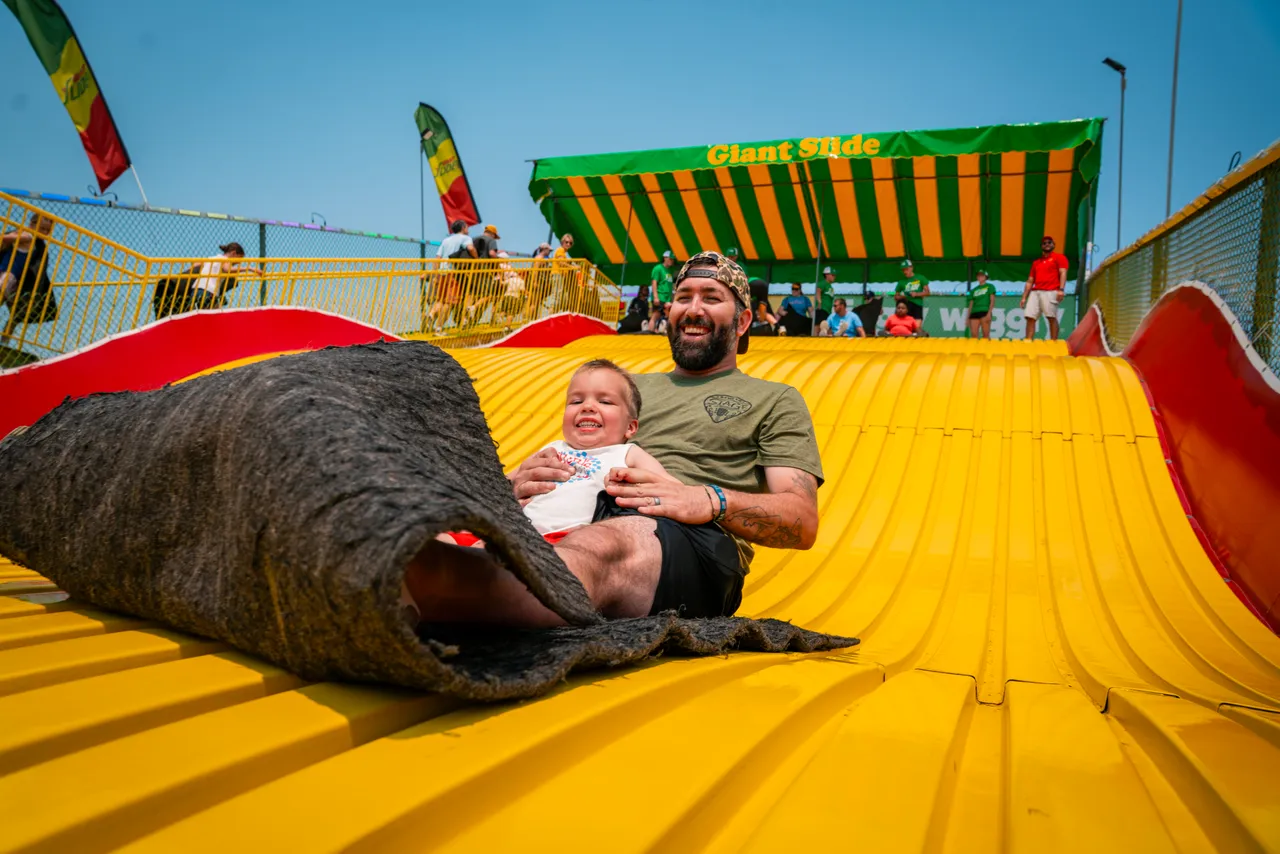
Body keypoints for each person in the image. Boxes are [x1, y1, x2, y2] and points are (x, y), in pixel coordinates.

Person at [403, 251, 823, 626]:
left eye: (712, 298)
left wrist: (708, 500)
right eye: (683, 297)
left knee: (600, 544)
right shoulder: (620, 388)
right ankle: (420, 570)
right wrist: (510, 488)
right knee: (444, 519)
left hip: (695, 545)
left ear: (744, 320)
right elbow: (568, 452)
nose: (693, 309)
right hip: (582, 510)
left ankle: (441, 592)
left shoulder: (774, 399)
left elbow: (800, 521)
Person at [0, 213, 58, 340]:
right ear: (32, 224)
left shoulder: (39, 245)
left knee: (10, 295)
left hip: (16, 276)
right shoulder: (28, 236)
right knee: (7, 291)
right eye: (42, 228)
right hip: (8, 272)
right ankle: (7, 334)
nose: (45, 233)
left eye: (47, 230)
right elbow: (6, 239)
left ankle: (7, 334)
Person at [425, 220, 476, 332]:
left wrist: (435, 274)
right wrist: (477, 260)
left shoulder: (446, 240)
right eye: (467, 227)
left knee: (441, 300)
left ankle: (431, 314)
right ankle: (439, 328)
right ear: (463, 228)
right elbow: (471, 248)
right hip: (454, 273)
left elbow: (437, 258)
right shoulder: (465, 238)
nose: (468, 229)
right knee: (449, 302)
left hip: (442, 272)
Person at [187, 242, 265, 311]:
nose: (239, 262)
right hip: (208, 292)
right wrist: (249, 268)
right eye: (239, 259)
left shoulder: (211, 258)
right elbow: (227, 269)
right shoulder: (225, 259)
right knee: (215, 318)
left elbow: (194, 265)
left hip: (196, 290)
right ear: (234, 253)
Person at [1021, 235, 1068, 340]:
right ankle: (1028, 342)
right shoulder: (1036, 262)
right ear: (1041, 246)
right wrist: (1024, 297)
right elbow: (1030, 281)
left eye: (1049, 242)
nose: (1047, 244)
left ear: (1053, 244)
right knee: (1030, 317)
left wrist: (1061, 290)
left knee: (1051, 317)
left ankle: (1053, 342)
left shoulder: (1059, 257)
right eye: (1044, 243)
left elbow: (1063, 273)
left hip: (1051, 291)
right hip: (1035, 292)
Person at [966, 269, 996, 340]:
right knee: (974, 335)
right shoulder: (973, 290)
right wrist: (968, 317)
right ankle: (975, 351)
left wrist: (989, 313)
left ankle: (987, 350)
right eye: (978, 275)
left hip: (984, 311)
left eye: (982, 275)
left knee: (985, 335)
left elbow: (992, 300)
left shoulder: (990, 286)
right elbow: (971, 304)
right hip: (974, 312)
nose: (980, 277)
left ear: (986, 277)